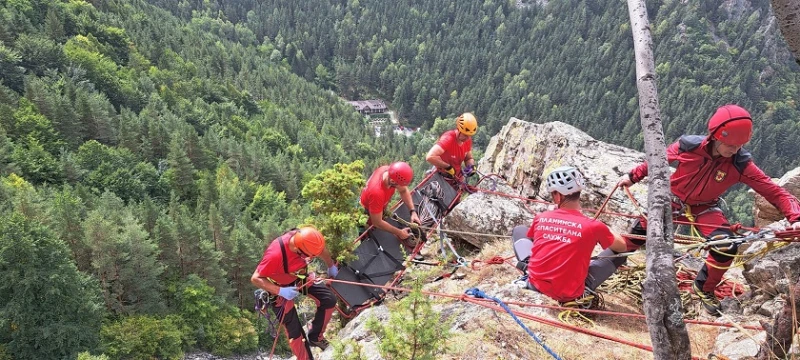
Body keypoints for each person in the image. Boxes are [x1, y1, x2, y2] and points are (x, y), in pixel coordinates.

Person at [616, 104, 800, 316]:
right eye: (731, 145)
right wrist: (633, 176)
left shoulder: (740, 164)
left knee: (726, 246)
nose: (735, 150)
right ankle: (608, 261)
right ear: (715, 137)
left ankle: (704, 288)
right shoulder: (687, 146)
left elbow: (775, 192)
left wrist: (796, 217)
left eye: (740, 145)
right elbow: (657, 160)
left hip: (705, 208)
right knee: (638, 233)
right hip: (672, 199)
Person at [517, 166, 627, 304]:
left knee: (519, 231)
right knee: (619, 256)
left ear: (558, 196)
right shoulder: (593, 226)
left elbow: (534, 238)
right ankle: (582, 286)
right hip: (569, 294)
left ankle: (530, 267)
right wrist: (600, 226)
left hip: (536, 285)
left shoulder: (541, 217)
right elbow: (622, 247)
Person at [250, 226, 339, 360]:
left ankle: (316, 337)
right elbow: (255, 278)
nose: (310, 258)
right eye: (308, 256)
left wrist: (330, 265)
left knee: (329, 299)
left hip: (298, 278)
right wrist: (281, 291)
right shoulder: (275, 254)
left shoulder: (307, 239)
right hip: (278, 289)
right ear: (299, 250)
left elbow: (320, 250)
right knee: (295, 332)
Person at [359, 162, 421, 241]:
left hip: (377, 207)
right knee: (369, 241)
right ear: (392, 181)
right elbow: (377, 222)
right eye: (399, 184)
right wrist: (399, 233)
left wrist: (413, 211)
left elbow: (404, 191)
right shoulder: (377, 192)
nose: (401, 186)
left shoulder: (390, 172)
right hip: (366, 215)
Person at [426, 112, 478, 181]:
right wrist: (447, 167)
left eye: (469, 136)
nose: (468, 138)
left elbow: (468, 158)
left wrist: (471, 166)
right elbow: (430, 156)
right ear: (459, 129)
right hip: (440, 176)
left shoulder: (467, 140)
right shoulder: (448, 139)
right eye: (465, 135)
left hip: (455, 179)